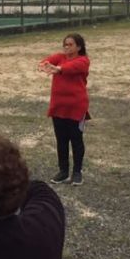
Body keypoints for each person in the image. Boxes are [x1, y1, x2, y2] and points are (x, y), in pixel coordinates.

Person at [38, 33, 90, 186]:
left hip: (76, 107)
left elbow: (70, 68)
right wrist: (43, 65)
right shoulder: (59, 56)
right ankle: (63, 170)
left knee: (76, 140)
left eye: (70, 45)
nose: (67, 47)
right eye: (65, 44)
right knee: (61, 140)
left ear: (79, 47)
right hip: (59, 106)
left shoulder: (83, 60)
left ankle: (77, 172)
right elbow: (46, 61)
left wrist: (58, 69)